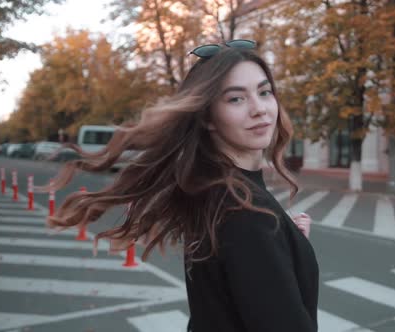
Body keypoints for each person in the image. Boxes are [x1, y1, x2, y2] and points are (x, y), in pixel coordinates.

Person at [47, 39, 319, 332]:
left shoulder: (214, 190)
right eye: (236, 99)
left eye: (264, 92)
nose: (260, 109)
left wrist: (285, 242)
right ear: (208, 118)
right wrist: (272, 239)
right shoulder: (246, 211)